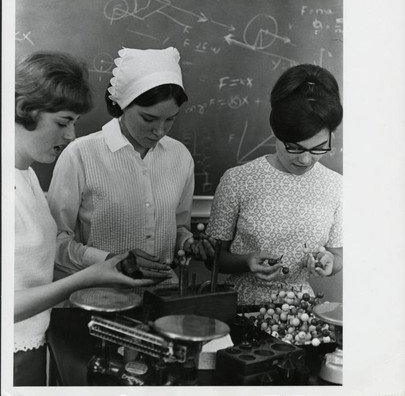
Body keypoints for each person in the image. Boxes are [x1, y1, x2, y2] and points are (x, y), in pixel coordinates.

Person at [14, 51, 154, 386]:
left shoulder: (26, 176)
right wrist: (88, 276)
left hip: (32, 344)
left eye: (74, 123)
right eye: (63, 122)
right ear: (23, 110)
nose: (71, 136)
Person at [47, 47, 213, 285]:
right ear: (122, 105)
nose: (160, 130)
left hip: (164, 296)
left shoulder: (180, 156)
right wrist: (112, 260)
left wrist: (189, 242)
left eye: (170, 119)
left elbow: (178, 228)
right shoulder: (81, 154)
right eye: (149, 118)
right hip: (100, 297)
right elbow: (56, 242)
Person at [205, 64, 343, 305]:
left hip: (301, 310)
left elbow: (339, 255)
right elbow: (213, 258)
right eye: (295, 147)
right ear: (276, 131)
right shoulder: (238, 180)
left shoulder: (337, 186)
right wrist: (246, 261)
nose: (305, 159)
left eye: (319, 148)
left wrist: (330, 263)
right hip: (239, 305)